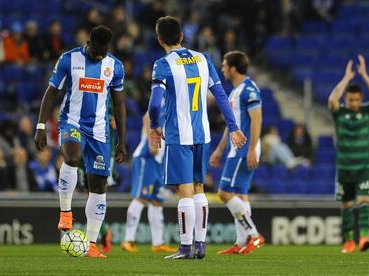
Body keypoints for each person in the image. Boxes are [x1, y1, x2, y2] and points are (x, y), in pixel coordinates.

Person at [148, 16, 246, 259]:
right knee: (200, 187)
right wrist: (233, 126)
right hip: (202, 133)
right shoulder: (203, 59)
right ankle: (200, 245)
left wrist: (154, 125)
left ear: (160, 40)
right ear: (182, 36)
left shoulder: (163, 64)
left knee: (185, 191)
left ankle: (185, 248)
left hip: (178, 134)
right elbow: (221, 95)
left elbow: (154, 103)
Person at [34, 25, 127, 258]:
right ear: (88, 42)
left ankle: (92, 244)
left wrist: (122, 140)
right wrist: (41, 125)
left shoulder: (115, 66)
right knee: (73, 158)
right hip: (72, 123)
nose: (101, 55)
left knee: (98, 186)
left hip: (99, 131)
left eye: (105, 51)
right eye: (97, 50)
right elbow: (52, 91)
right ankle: (65, 213)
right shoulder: (69, 59)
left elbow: (120, 104)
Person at [210, 51, 265, 255]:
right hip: (236, 148)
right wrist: (219, 149)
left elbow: (257, 120)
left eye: (224, 64)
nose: (222, 68)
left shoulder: (249, 90)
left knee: (224, 193)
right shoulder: (235, 91)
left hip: (244, 149)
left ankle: (253, 234)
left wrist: (252, 149)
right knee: (241, 195)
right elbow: (232, 126)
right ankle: (242, 242)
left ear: (233, 68)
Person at [328, 55, 369, 254]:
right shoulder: (339, 113)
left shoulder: (367, 112)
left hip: (363, 167)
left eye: (356, 100)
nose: (353, 102)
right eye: (350, 99)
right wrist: (346, 78)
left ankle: (365, 237)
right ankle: (349, 241)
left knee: (365, 201)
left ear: (361, 99)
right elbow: (332, 99)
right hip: (344, 168)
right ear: (346, 99)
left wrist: (364, 75)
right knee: (347, 205)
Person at [122, 112, 176, 254]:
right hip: (146, 158)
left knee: (157, 201)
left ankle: (158, 243)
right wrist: (151, 140)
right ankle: (128, 240)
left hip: (158, 161)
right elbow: (147, 116)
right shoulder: (164, 95)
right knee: (141, 197)